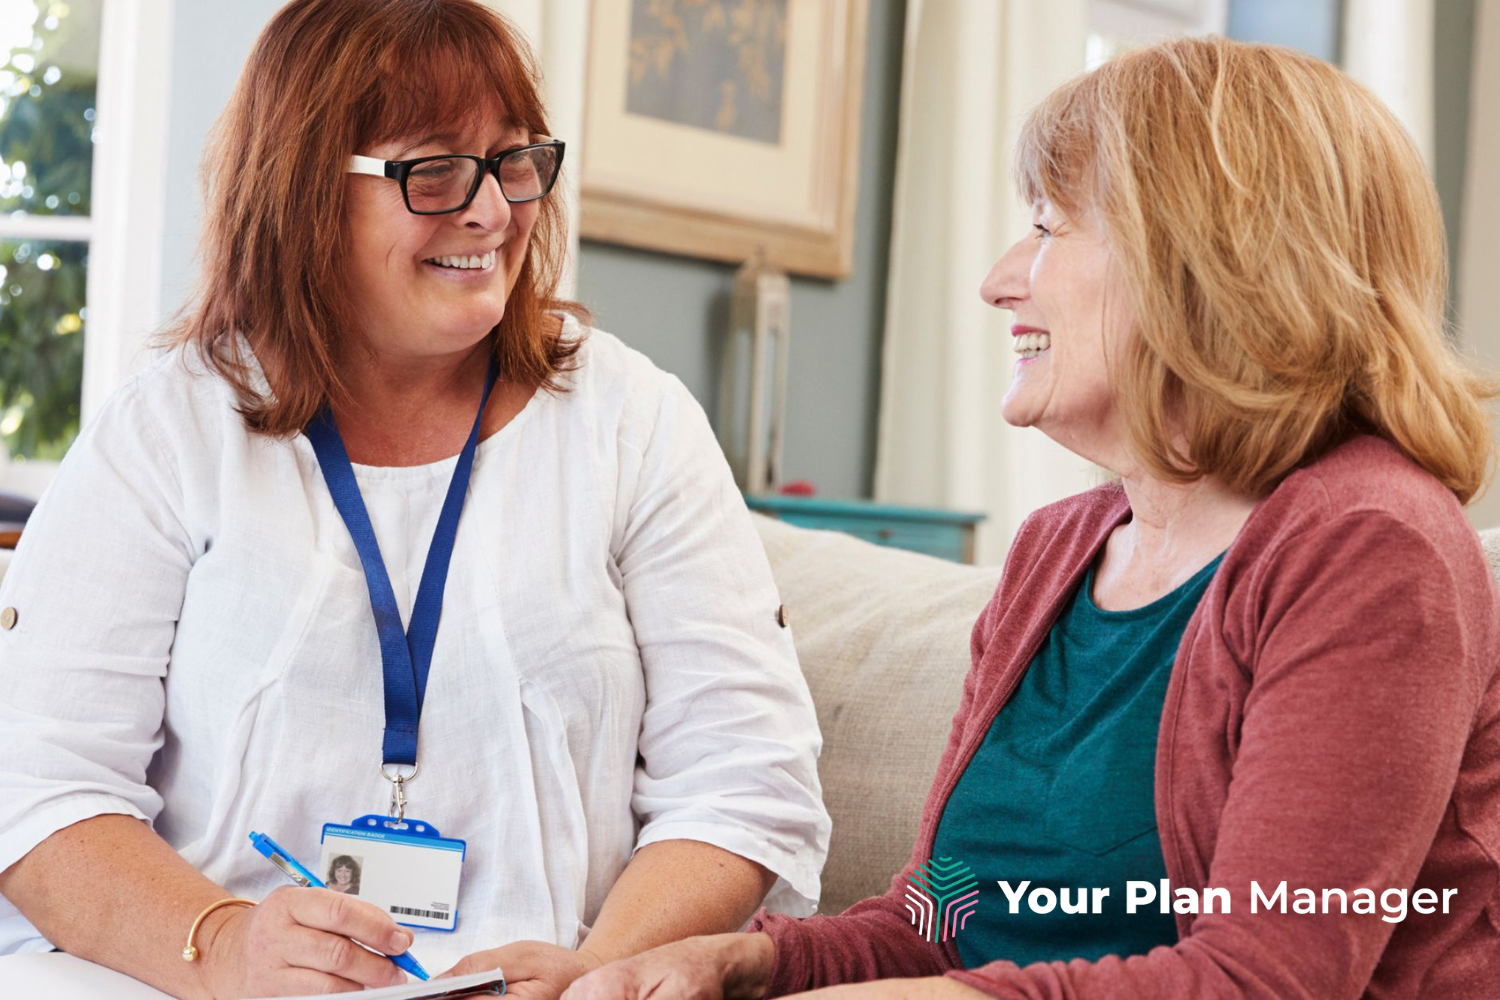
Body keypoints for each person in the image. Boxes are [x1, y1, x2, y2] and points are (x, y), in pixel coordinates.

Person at [562, 35, 1500, 1000]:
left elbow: (1264, 980)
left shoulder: (1371, 547)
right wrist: (753, 960)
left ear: (1207, 261)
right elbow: (951, 912)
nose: (1002, 278)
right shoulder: (1056, 552)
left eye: (1050, 227)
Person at [0, 1, 829, 997]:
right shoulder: (167, 432)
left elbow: (744, 782)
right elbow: (37, 787)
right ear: (303, 191)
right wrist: (223, 946)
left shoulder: (633, 422)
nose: (491, 213)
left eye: (513, 161)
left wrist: (598, 972)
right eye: (433, 171)